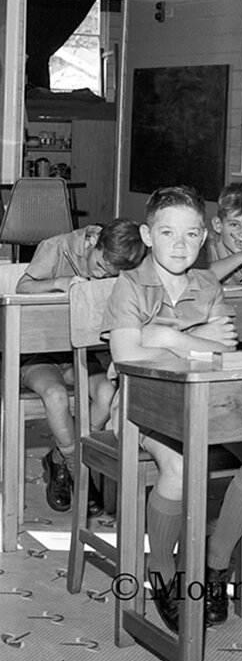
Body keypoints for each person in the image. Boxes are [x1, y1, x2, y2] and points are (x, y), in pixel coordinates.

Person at [104, 186, 242, 632]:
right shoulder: (130, 285)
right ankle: (162, 571)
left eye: (189, 235)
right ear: (147, 236)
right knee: (180, 467)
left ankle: (214, 561)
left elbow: (224, 350)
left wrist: (163, 337)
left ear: (204, 238)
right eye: (167, 233)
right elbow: (128, 356)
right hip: (140, 402)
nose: (179, 245)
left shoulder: (207, 283)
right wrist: (190, 337)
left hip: (204, 398)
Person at [17, 218, 146, 516]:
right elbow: (22, 285)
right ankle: (80, 472)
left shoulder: (113, 263)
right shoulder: (56, 247)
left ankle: (61, 459)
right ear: (93, 240)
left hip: (81, 355)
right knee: (57, 397)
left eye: (108, 274)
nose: (99, 274)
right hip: (38, 356)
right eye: (99, 265)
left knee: (106, 393)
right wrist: (59, 284)